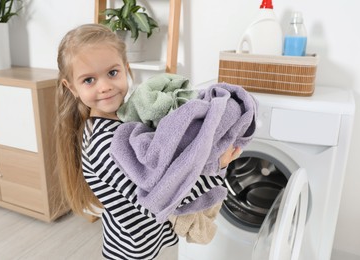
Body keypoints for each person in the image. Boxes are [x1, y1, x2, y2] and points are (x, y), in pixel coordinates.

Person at [55, 23, 241, 260]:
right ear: (71, 87)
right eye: (89, 80)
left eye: (112, 73)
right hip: (131, 251)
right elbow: (156, 201)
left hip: (141, 238)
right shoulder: (105, 144)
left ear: (126, 69)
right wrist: (216, 169)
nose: (104, 87)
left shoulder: (123, 118)